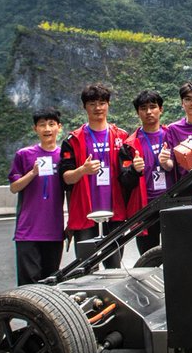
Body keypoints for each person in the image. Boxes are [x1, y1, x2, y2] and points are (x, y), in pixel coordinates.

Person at [59, 83, 129, 269]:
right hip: (85, 214)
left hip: (114, 213)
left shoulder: (122, 137)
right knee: (86, 267)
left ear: (108, 104)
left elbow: (129, 176)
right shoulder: (73, 140)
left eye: (102, 103)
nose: (98, 108)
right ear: (84, 107)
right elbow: (66, 178)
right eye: (92, 104)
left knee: (114, 266)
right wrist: (82, 170)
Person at [7, 108, 66, 284]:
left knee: (50, 284)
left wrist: (71, 224)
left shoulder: (64, 157)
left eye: (51, 124)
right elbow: (14, 187)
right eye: (42, 125)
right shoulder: (24, 155)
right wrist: (32, 173)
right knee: (28, 284)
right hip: (28, 232)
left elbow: (70, 189)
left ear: (59, 127)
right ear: (35, 129)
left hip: (54, 231)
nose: (47, 129)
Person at [119, 89, 168, 254]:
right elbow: (124, 181)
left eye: (153, 107)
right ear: (137, 112)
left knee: (175, 256)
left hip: (171, 203)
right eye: (143, 108)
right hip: (145, 208)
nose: (148, 112)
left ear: (161, 109)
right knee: (148, 258)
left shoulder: (171, 136)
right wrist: (134, 170)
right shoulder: (129, 145)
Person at [158, 80, 192, 183]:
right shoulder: (173, 129)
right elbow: (170, 165)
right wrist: (164, 161)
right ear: (182, 103)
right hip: (187, 185)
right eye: (188, 99)